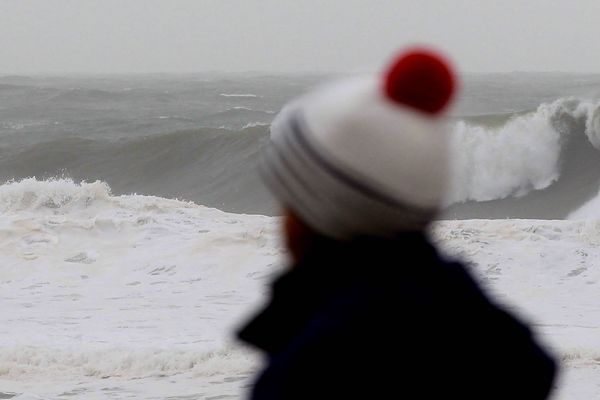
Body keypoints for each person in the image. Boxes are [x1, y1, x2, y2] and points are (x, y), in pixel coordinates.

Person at [238, 48, 556, 399]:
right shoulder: (495, 345)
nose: (282, 216)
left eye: (289, 197)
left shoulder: (312, 372)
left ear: (317, 213)